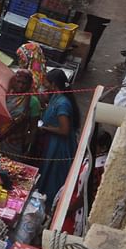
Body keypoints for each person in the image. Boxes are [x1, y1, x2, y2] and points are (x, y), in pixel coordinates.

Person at [38, 69, 81, 208]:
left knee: (53, 177)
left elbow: (64, 130)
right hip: (51, 143)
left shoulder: (63, 103)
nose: (44, 84)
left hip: (59, 147)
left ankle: (50, 206)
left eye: (46, 82)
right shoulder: (56, 97)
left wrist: (45, 128)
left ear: (53, 84)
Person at [0, 70, 40, 158]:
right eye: (18, 82)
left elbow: (33, 129)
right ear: (14, 81)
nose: (21, 85)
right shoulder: (4, 94)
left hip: (14, 143)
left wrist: (29, 148)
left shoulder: (33, 102)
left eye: (24, 83)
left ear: (29, 84)